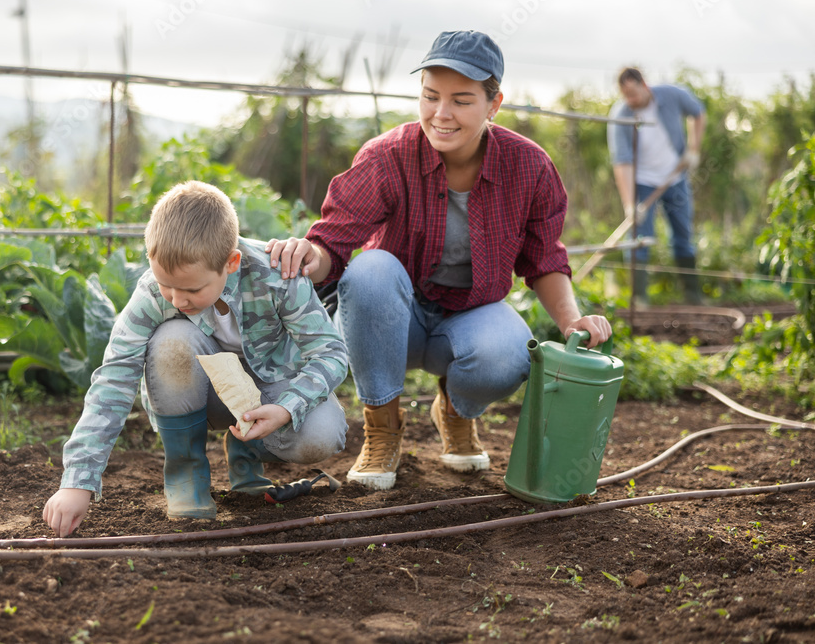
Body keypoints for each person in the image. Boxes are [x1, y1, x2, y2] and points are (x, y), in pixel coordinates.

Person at [266, 30, 611, 491]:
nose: (441, 114)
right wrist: (311, 254)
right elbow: (334, 242)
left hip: (470, 317)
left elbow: (544, 259)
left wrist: (571, 321)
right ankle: (382, 427)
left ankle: (454, 410)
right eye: (430, 96)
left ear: (494, 104)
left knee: (510, 353)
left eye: (461, 100)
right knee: (370, 269)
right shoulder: (389, 156)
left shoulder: (529, 167)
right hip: (394, 323)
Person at [43, 180, 348, 536]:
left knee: (323, 434)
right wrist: (78, 481)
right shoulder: (152, 294)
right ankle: (185, 473)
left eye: (191, 289)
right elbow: (114, 376)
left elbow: (331, 352)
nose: (176, 299)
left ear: (231, 263)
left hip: (271, 395)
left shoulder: (277, 275)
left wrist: (286, 408)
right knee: (172, 338)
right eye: (165, 285)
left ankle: (246, 450)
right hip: (203, 398)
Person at [607, 67, 706, 305]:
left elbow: (698, 112)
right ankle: (639, 298)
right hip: (643, 182)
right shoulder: (621, 115)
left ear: (645, 85)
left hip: (675, 177)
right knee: (640, 237)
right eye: (625, 95)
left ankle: (693, 296)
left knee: (683, 234)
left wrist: (694, 149)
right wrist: (630, 205)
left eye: (634, 93)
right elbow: (622, 162)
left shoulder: (671, 95)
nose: (631, 100)